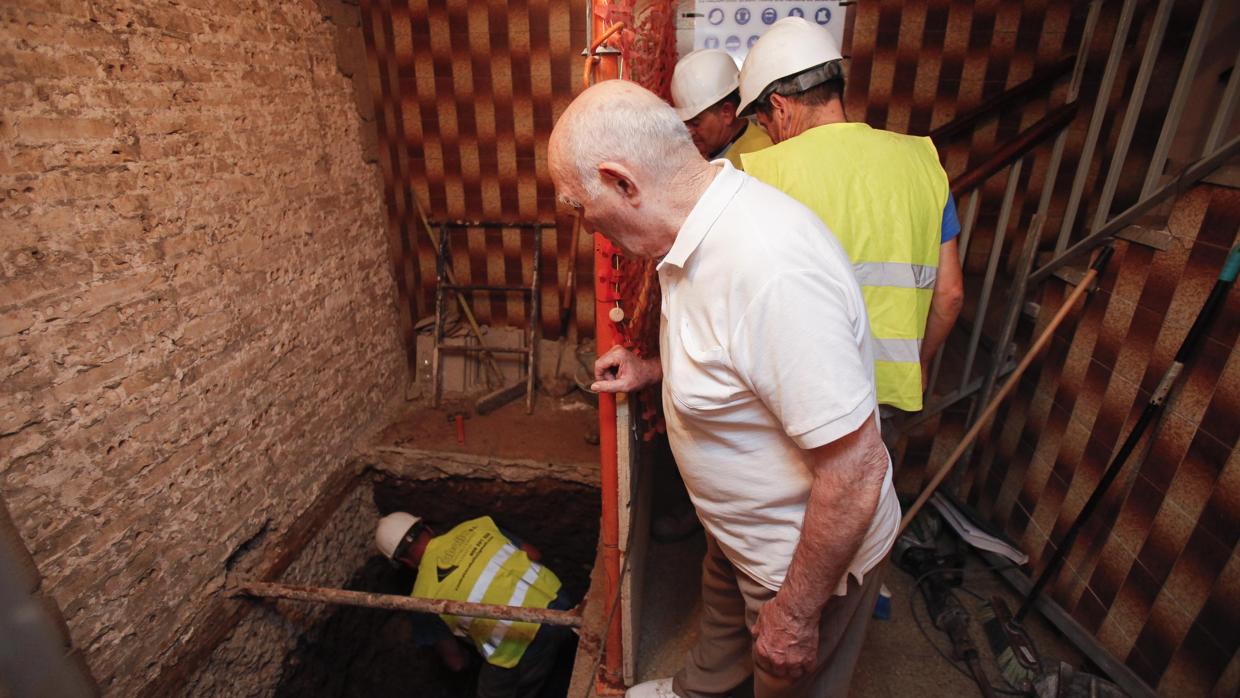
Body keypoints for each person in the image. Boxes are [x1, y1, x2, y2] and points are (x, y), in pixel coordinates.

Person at [549, 80, 898, 697]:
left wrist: (791, 616)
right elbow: (740, 362)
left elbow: (857, 470)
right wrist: (653, 370)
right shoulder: (698, 234)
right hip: (742, 535)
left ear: (623, 182)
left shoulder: (769, 267)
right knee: (722, 643)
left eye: (581, 207)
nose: (588, 229)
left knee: (783, 671)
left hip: (798, 566)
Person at [737, 17, 965, 418]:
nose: (768, 134)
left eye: (763, 122)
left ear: (779, 105)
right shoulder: (923, 163)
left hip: (803, 392)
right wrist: (918, 362)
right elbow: (950, 296)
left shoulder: (763, 174)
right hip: (888, 392)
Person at [374, 512, 572, 698]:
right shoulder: (477, 525)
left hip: (523, 644)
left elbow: (457, 663)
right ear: (427, 528)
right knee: (555, 659)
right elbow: (534, 554)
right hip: (561, 605)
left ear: (404, 561)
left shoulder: (421, 600)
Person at [670, 48, 773, 169]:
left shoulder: (760, 158)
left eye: (695, 123)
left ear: (727, 113)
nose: (689, 132)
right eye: (684, 123)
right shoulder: (711, 151)